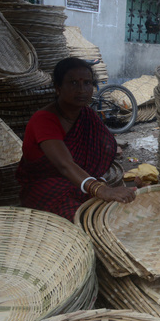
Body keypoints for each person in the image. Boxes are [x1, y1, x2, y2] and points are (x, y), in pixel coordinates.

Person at [16, 58, 136, 221]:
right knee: (85, 220)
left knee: (116, 214)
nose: (82, 90)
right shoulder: (43, 120)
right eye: (73, 83)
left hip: (79, 183)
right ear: (58, 88)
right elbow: (64, 164)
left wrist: (99, 184)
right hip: (46, 189)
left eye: (87, 83)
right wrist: (101, 190)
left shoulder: (87, 116)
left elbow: (101, 149)